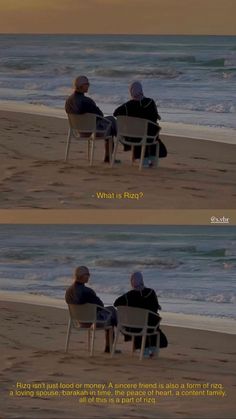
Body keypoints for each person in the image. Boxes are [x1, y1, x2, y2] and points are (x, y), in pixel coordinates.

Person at [113, 81, 167, 167]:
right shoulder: (150, 102)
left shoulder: (127, 106)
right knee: (153, 129)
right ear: (141, 90)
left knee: (137, 131)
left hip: (132, 137)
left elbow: (115, 113)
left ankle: (141, 158)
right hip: (150, 137)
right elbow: (155, 117)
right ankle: (151, 158)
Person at [114, 271, 167, 357]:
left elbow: (116, 303)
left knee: (138, 322)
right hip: (150, 325)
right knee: (153, 320)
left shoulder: (128, 295)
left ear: (132, 281)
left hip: (132, 326)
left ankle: (144, 348)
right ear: (142, 280)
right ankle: (151, 347)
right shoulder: (151, 292)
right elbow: (155, 308)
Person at [65, 76, 117, 163]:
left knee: (110, 123)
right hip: (92, 131)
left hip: (78, 131)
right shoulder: (87, 101)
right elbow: (100, 115)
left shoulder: (68, 101)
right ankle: (109, 157)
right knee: (111, 121)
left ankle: (122, 140)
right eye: (87, 84)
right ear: (81, 86)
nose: (89, 85)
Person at [65, 266, 117, 353]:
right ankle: (110, 346)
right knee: (112, 312)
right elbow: (100, 305)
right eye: (88, 274)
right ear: (82, 276)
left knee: (111, 313)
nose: (89, 276)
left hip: (78, 321)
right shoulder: (88, 291)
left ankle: (123, 332)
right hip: (92, 322)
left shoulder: (68, 291)